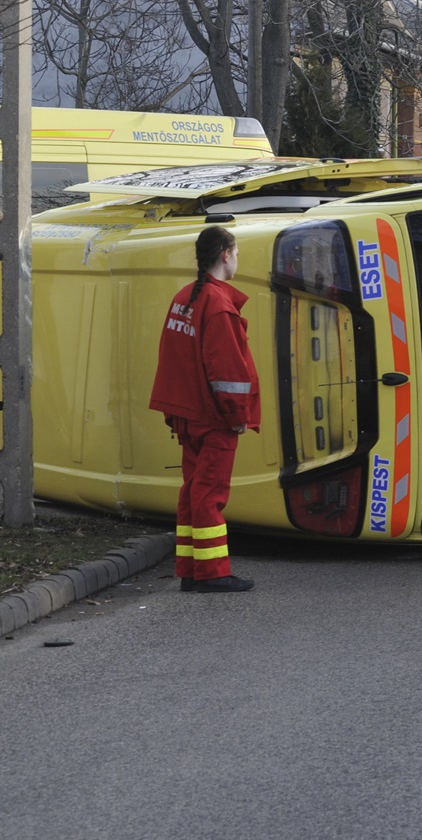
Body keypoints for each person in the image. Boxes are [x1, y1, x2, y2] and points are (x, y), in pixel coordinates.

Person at [149, 225, 261, 593]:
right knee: (210, 493)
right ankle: (213, 573)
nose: (237, 260)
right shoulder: (219, 305)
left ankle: (191, 569)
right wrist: (238, 416)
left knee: (193, 489)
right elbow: (228, 373)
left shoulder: (185, 297)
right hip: (214, 418)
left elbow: (174, 359)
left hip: (187, 413)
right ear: (225, 255)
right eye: (237, 253)